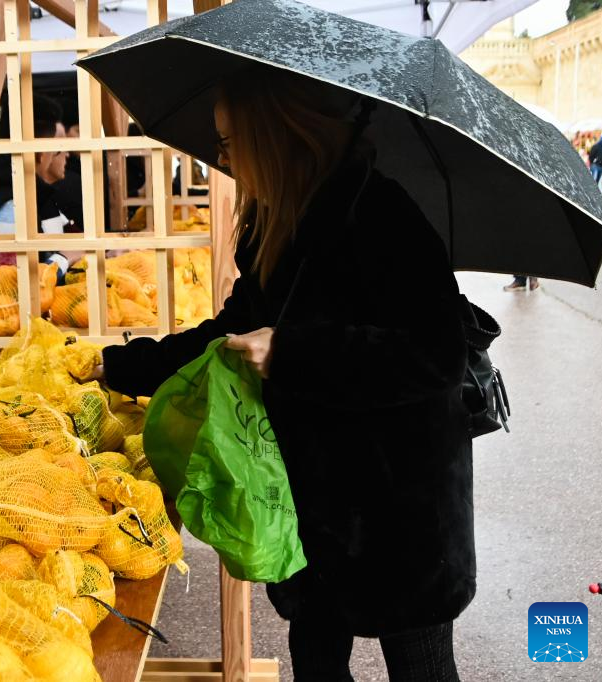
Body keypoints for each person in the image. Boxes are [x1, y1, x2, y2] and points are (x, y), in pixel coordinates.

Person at [92, 69, 474, 681]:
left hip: (400, 502)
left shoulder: (381, 214)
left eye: (226, 142)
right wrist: (119, 364)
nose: (218, 157)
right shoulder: (279, 221)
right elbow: (230, 332)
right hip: (314, 500)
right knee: (317, 658)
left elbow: (435, 354)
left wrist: (295, 352)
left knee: (421, 665)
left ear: (275, 136)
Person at [0, 94, 77, 277]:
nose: (59, 155)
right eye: (55, 150)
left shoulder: (14, 192)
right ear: (40, 154)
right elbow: (16, 285)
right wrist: (65, 257)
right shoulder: (12, 210)